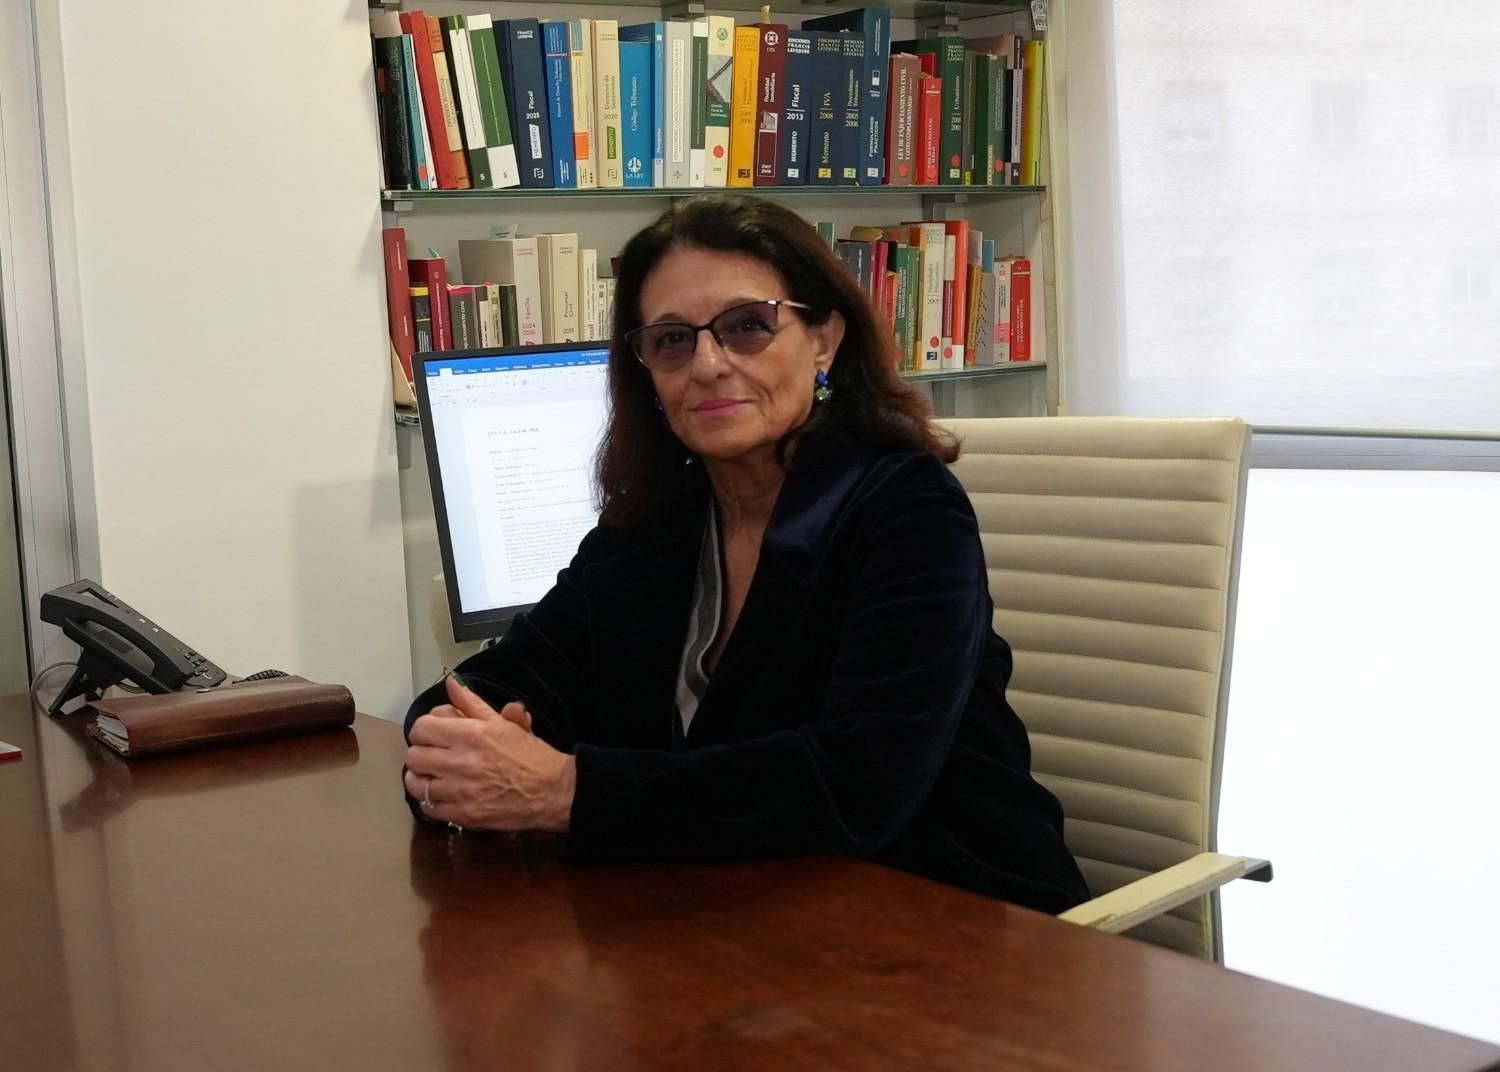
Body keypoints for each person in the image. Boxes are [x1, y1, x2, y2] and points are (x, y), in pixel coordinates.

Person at [402, 194, 1088, 914]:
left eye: (747, 327)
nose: (707, 363)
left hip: (947, 918)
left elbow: (858, 782)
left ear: (824, 339)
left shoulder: (906, 510)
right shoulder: (653, 522)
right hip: (731, 910)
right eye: (671, 340)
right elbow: (509, 676)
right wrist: (456, 746)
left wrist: (565, 791)